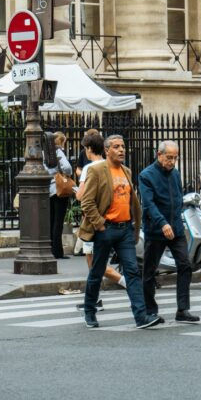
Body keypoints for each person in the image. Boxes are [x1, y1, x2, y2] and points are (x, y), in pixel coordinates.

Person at [79, 134, 160, 330]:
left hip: (125, 229)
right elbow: (86, 201)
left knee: (132, 271)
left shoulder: (126, 171)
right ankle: (89, 310)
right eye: (116, 147)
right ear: (107, 150)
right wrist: (100, 224)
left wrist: (134, 224)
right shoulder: (96, 170)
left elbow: (131, 200)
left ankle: (141, 317)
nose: (122, 150)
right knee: (97, 271)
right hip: (106, 229)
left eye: (123, 146)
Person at [139, 141, 199, 324]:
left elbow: (178, 197)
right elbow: (148, 204)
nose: (172, 161)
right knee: (149, 271)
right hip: (156, 230)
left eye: (175, 158)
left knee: (185, 265)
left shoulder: (175, 173)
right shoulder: (146, 175)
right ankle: (150, 310)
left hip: (176, 228)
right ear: (159, 155)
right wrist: (162, 223)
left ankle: (183, 309)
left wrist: (176, 219)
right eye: (169, 157)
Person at [75, 130, 126, 307]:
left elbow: (81, 196)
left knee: (94, 263)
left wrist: (75, 191)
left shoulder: (90, 168)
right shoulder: (108, 165)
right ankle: (94, 299)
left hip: (94, 223)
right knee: (95, 263)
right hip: (111, 220)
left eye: (85, 148)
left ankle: (128, 284)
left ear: (89, 149)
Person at [45, 131, 73, 260]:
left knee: (50, 220)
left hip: (48, 189)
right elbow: (67, 168)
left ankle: (50, 249)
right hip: (59, 188)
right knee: (58, 221)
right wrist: (66, 173)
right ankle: (57, 251)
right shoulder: (58, 152)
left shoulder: (43, 153)